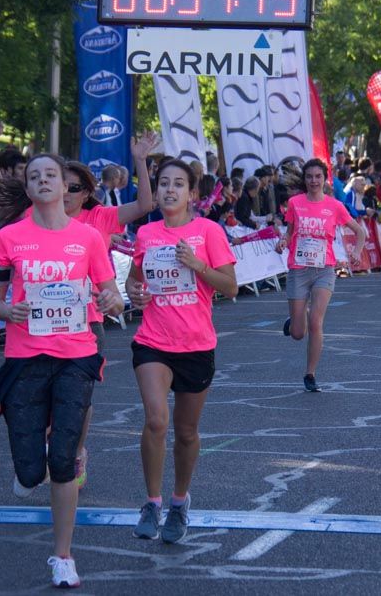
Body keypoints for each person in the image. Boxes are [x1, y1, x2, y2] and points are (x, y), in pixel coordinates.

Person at [0, 154, 124, 588]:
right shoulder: (9, 237)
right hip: (25, 358)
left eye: (51, 175)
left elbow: (113, 295)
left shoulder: (88, 238)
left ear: (65, 188)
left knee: (63, 460)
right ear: (27, 189)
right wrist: (8, 311)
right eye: (35, 176)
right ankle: (29, 467)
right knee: (32, 473)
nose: (44, 181)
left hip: (76, 355)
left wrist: (112, 301)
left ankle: (63, 557)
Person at [125, 159, 237, 545]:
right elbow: (135, 280)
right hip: (152, 341)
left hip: (196, 344)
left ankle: (178, 501)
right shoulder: (146, 233)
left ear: (192, 194)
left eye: (178, 184)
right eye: (163, 184)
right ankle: (152, 503)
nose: (170, 190)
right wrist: (135, 292)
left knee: (186, 432)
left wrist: (197, 264)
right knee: (157, 420)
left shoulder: (208, 231)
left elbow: (231, 287)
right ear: (156, 193)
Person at [58, 133, 155, 488]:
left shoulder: (99, 217)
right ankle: (52, 440)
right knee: (44, 395)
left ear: (85, 192)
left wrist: (140, 160)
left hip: (88, 320)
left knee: (79, 395)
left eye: (73, 188)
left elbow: (145, 204)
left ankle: (77, 451)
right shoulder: (40, 216)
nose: (65, 193)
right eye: (61, 185)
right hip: (43, 324)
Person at [275, 159, 365, 391]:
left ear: (325, 179)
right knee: (298, 333)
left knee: (316, 322)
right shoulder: (295, 203)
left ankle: (310, 374)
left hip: (324, 269)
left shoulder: (335, 206)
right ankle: (295, 320)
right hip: (298, 270)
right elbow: (290, 232)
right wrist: (284, 241)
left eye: (318, 176)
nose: (314, 181)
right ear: (304, 179)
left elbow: (359, 231)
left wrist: (356, 251)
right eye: (309, 177)